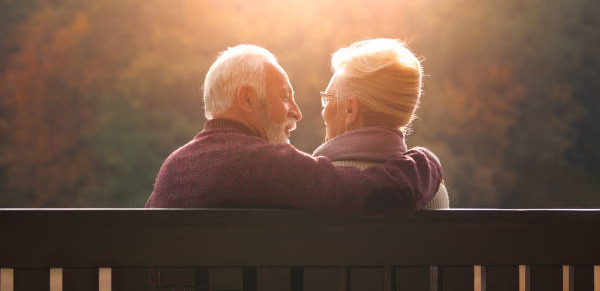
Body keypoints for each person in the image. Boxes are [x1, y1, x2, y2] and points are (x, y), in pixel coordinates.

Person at [145, 44, 443, 215]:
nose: (298, 112)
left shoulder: (173, 167)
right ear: (247, 99)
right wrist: (426, 161)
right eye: (285, 97)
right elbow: (380, 194)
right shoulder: (267, 165)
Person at [313, 39, 449, 209]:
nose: (323, 112)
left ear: (350, 110)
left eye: (328, 99)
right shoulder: (435, 191)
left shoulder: (315, 185)